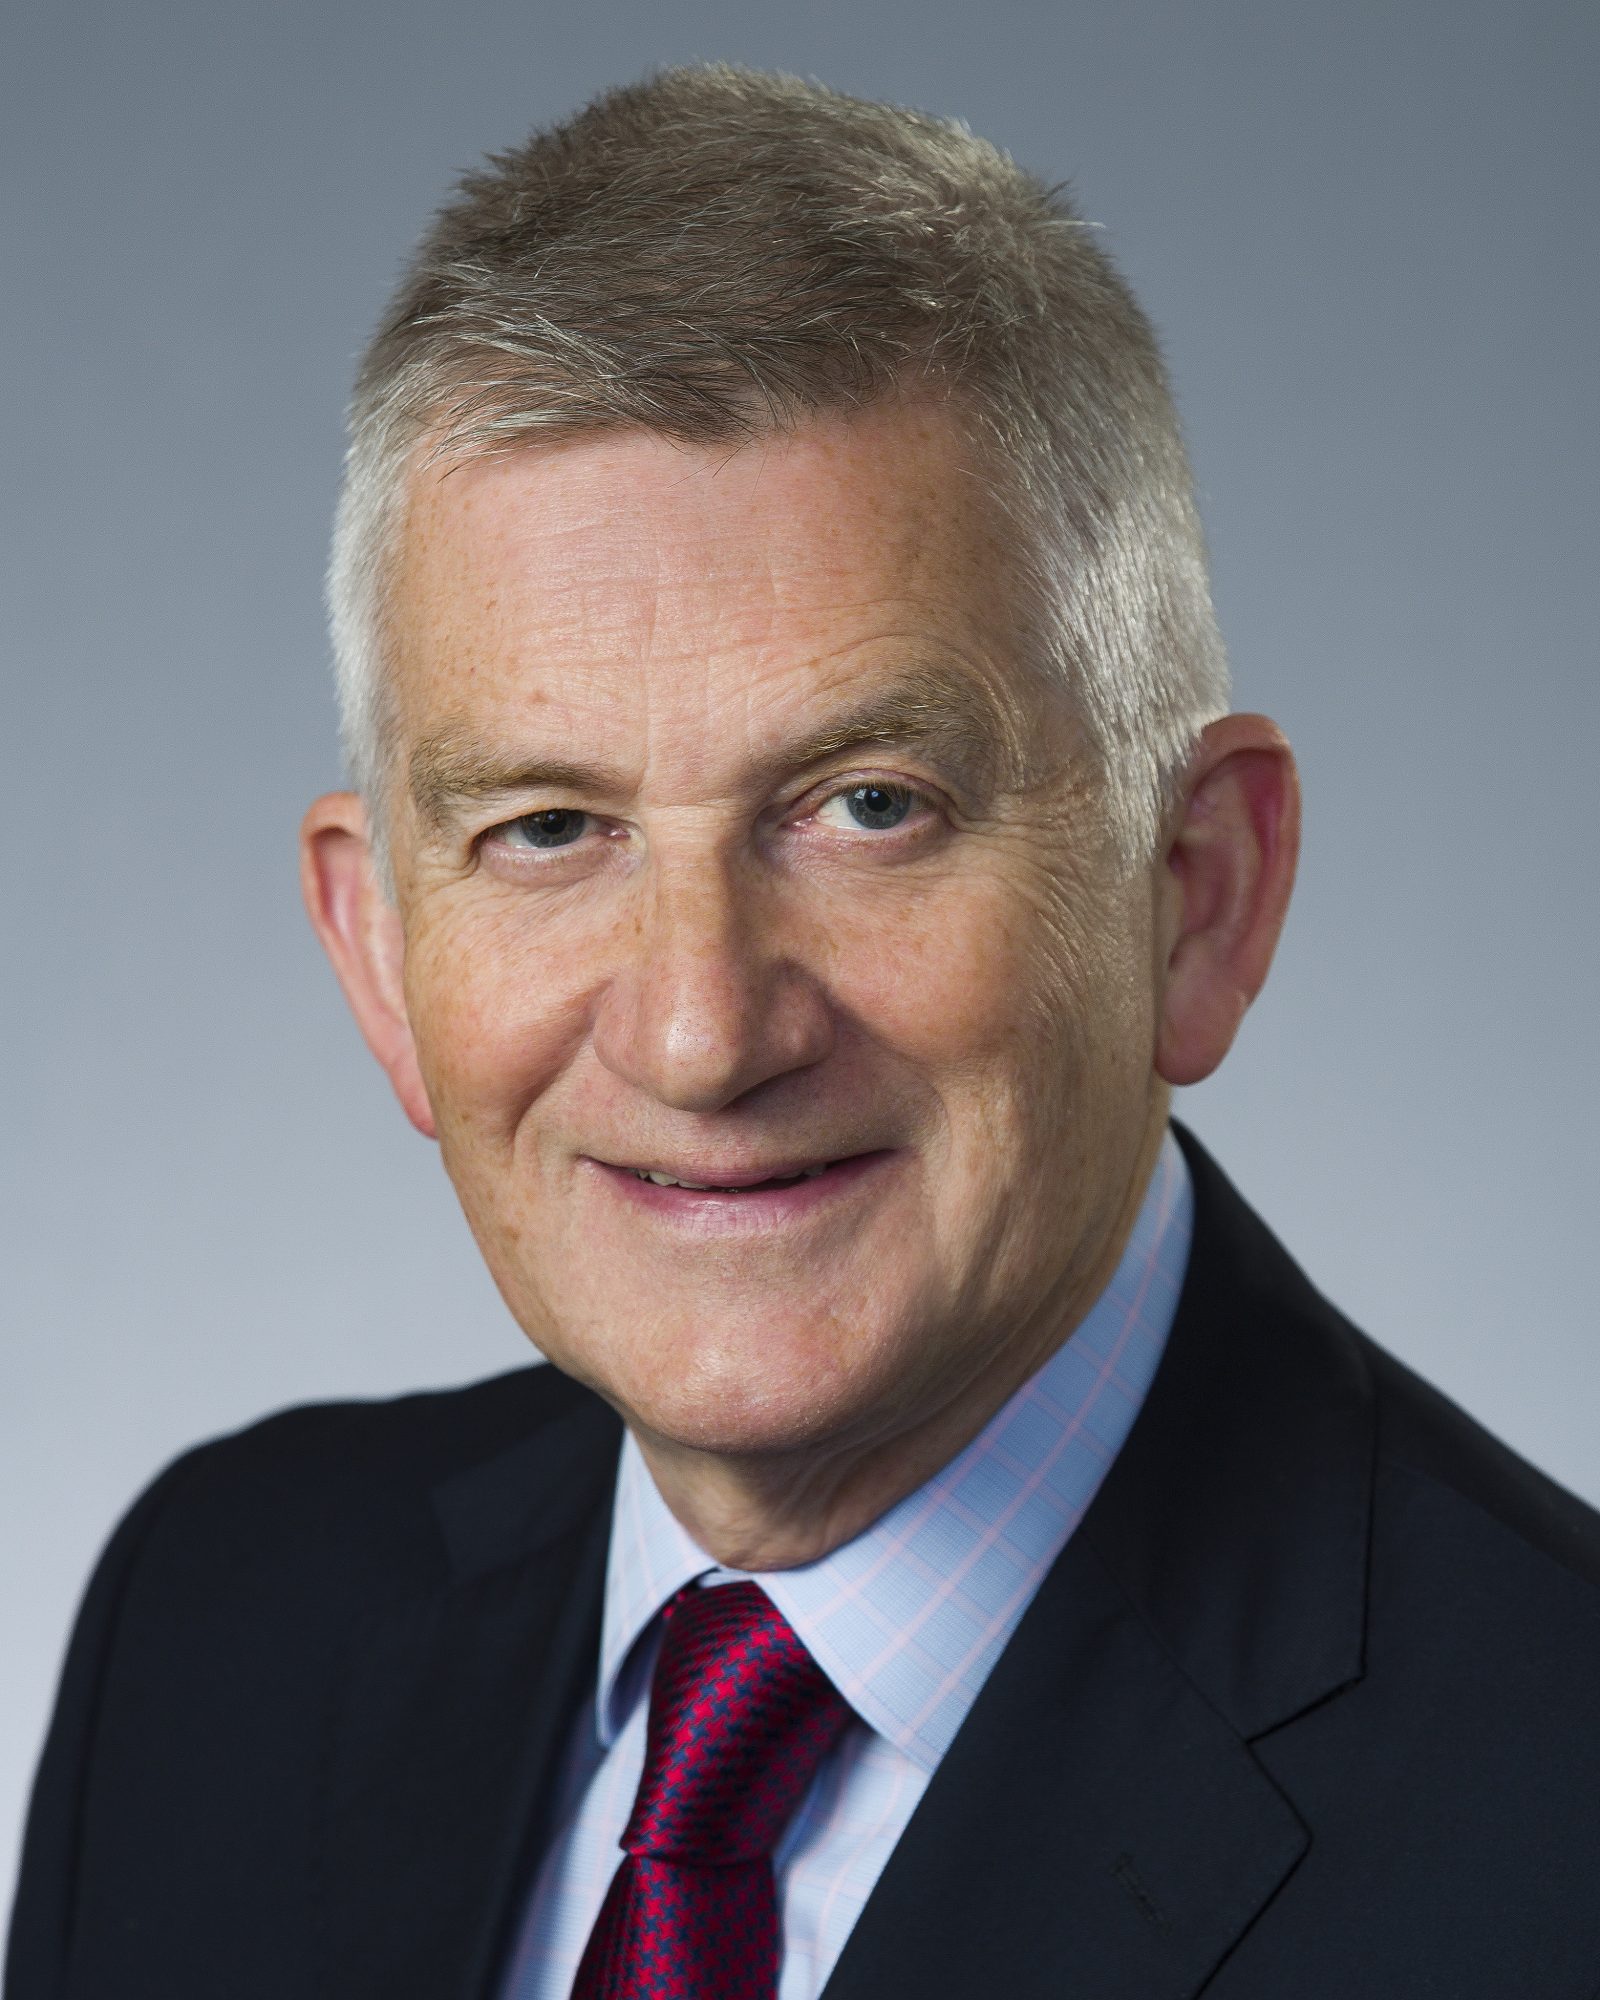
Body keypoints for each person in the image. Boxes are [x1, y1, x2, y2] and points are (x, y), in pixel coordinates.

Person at [8, 63, 1600, 2000]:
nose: (701, 1033)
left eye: (867, 805)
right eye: (548, 828)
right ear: (379, 950)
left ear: (1194, 891)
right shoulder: (215, 1630)